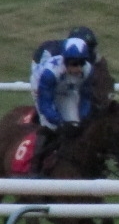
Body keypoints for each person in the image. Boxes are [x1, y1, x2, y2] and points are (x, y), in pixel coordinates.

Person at [30, 35, 91, 174]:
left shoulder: (88, 70)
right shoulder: (50, 73)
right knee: (51, 127)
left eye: (82, 63)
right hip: (43, 88)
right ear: (66, 61)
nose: (79, 68)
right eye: (74, 64)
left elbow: (86, 97)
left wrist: (84, 116)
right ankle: (36, 166)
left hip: (66, 89)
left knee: (75, 125)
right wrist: (59, 122)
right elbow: (46, 104)